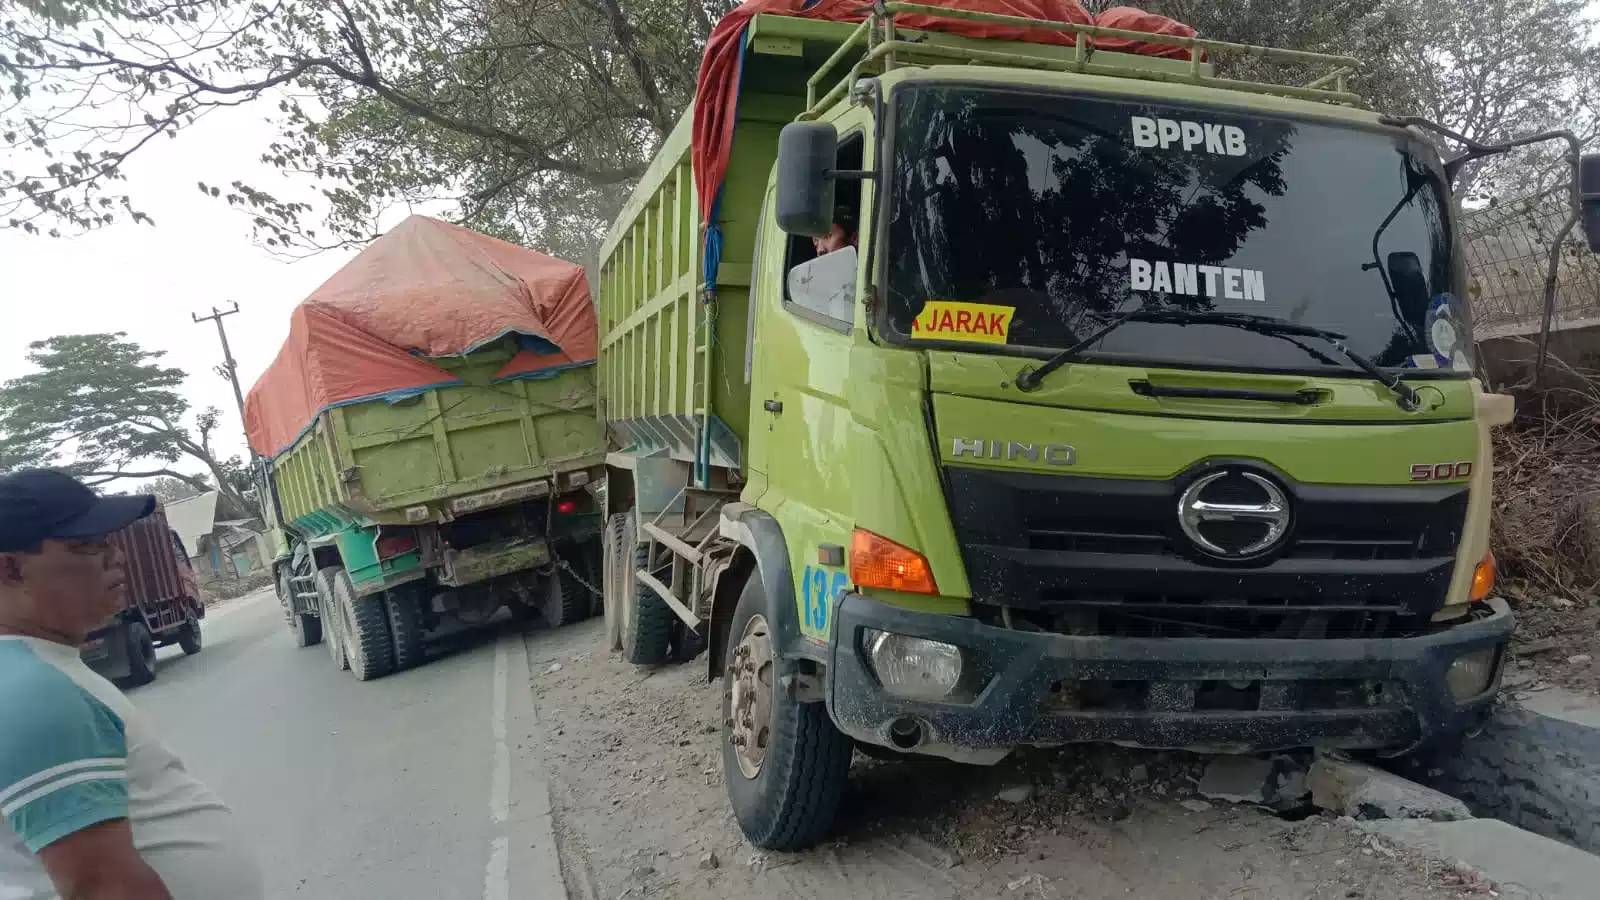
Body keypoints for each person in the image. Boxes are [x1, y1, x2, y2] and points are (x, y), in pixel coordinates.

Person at [0, 470, 263, 900]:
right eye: (86, 544)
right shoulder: (35, 692)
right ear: (11, 568)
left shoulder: (35, 670)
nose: (115, 555)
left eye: (108, 539)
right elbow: (103, 886)